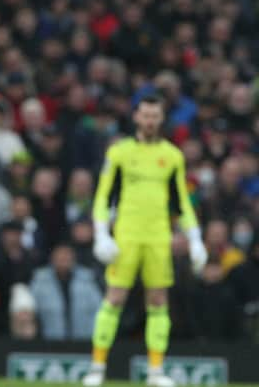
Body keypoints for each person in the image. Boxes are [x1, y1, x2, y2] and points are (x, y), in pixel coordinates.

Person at [82, 95, 208, 387]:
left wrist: (196, 238)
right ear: (136, 117)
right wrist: (102, 234)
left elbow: (181, 202)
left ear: (161, 119)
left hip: (158, 236)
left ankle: (155, 372)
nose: (150, 121)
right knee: (114, 297)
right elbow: (103, 196)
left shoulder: (172, 156)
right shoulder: (120, 152)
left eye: (155, 116)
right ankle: (97, 368)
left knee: (158, 300)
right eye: (145, 115)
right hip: (126, 235)